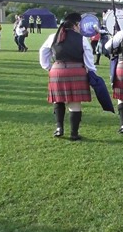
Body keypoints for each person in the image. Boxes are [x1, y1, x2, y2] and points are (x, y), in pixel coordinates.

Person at [39, 12, 97, 141]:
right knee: (74, 103)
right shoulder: (82, 39)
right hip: (77, 71)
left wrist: (48, 67)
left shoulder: (53, 36)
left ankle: (59, 128)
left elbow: (43, 51)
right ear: (76, 25)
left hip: (57, 70)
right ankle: (74, 134)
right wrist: (91, 71)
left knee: (58, 100)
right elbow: (89, 59)